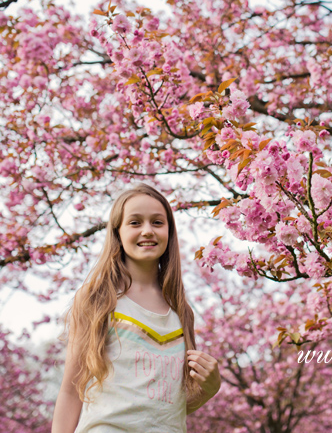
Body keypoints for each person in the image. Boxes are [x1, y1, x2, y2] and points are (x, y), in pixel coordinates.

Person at [51, 183, 221, 433]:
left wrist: (210, 389)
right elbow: (70, 389)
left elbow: (166, 408)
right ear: (117, 232)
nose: (147, 230)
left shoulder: (180, 311)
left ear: (170, 232)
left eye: (157, 222)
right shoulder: (97, 299)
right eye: (135, 222)